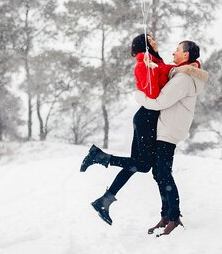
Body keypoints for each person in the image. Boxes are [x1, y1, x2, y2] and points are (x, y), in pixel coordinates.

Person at [80, 34, 194, 225]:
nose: (156, 41)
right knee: (142, 165)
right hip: (146, 119)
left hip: (147, 118)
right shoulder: (143, 65)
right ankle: (99, 157)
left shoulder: (155, 61)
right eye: (152, 39)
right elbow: (153, 94)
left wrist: (186, 67)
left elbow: (170, 71)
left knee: (134, 164)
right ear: (146, 45)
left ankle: (104, 201)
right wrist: (151, 69)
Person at [134, 40, 208, 236]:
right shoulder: (181, 75)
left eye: (177, 50)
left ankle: (174, 218)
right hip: (168, 128)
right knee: (158, 172)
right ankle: (166, 215)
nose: (173, 52)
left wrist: (138, 96)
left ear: (186, 56)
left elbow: (159, 102)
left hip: (169, 130)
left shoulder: (183, 79)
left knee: (164, 174)